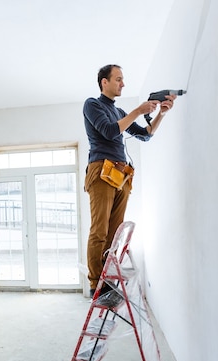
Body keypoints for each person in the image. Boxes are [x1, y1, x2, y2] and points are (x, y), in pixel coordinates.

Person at [83, 64, 176, 298]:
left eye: (123, 79)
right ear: (104, 82)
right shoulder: (92, 105)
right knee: (100, 231)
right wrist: (138, 110)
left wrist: (161, 113)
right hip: (101, 171)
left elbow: (144, 135)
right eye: (118, 79)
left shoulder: (120, 111)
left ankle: (107, 281)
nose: (123, 83)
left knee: (114, 233)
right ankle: (96, 284)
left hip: (120, 174)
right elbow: (109, 131)